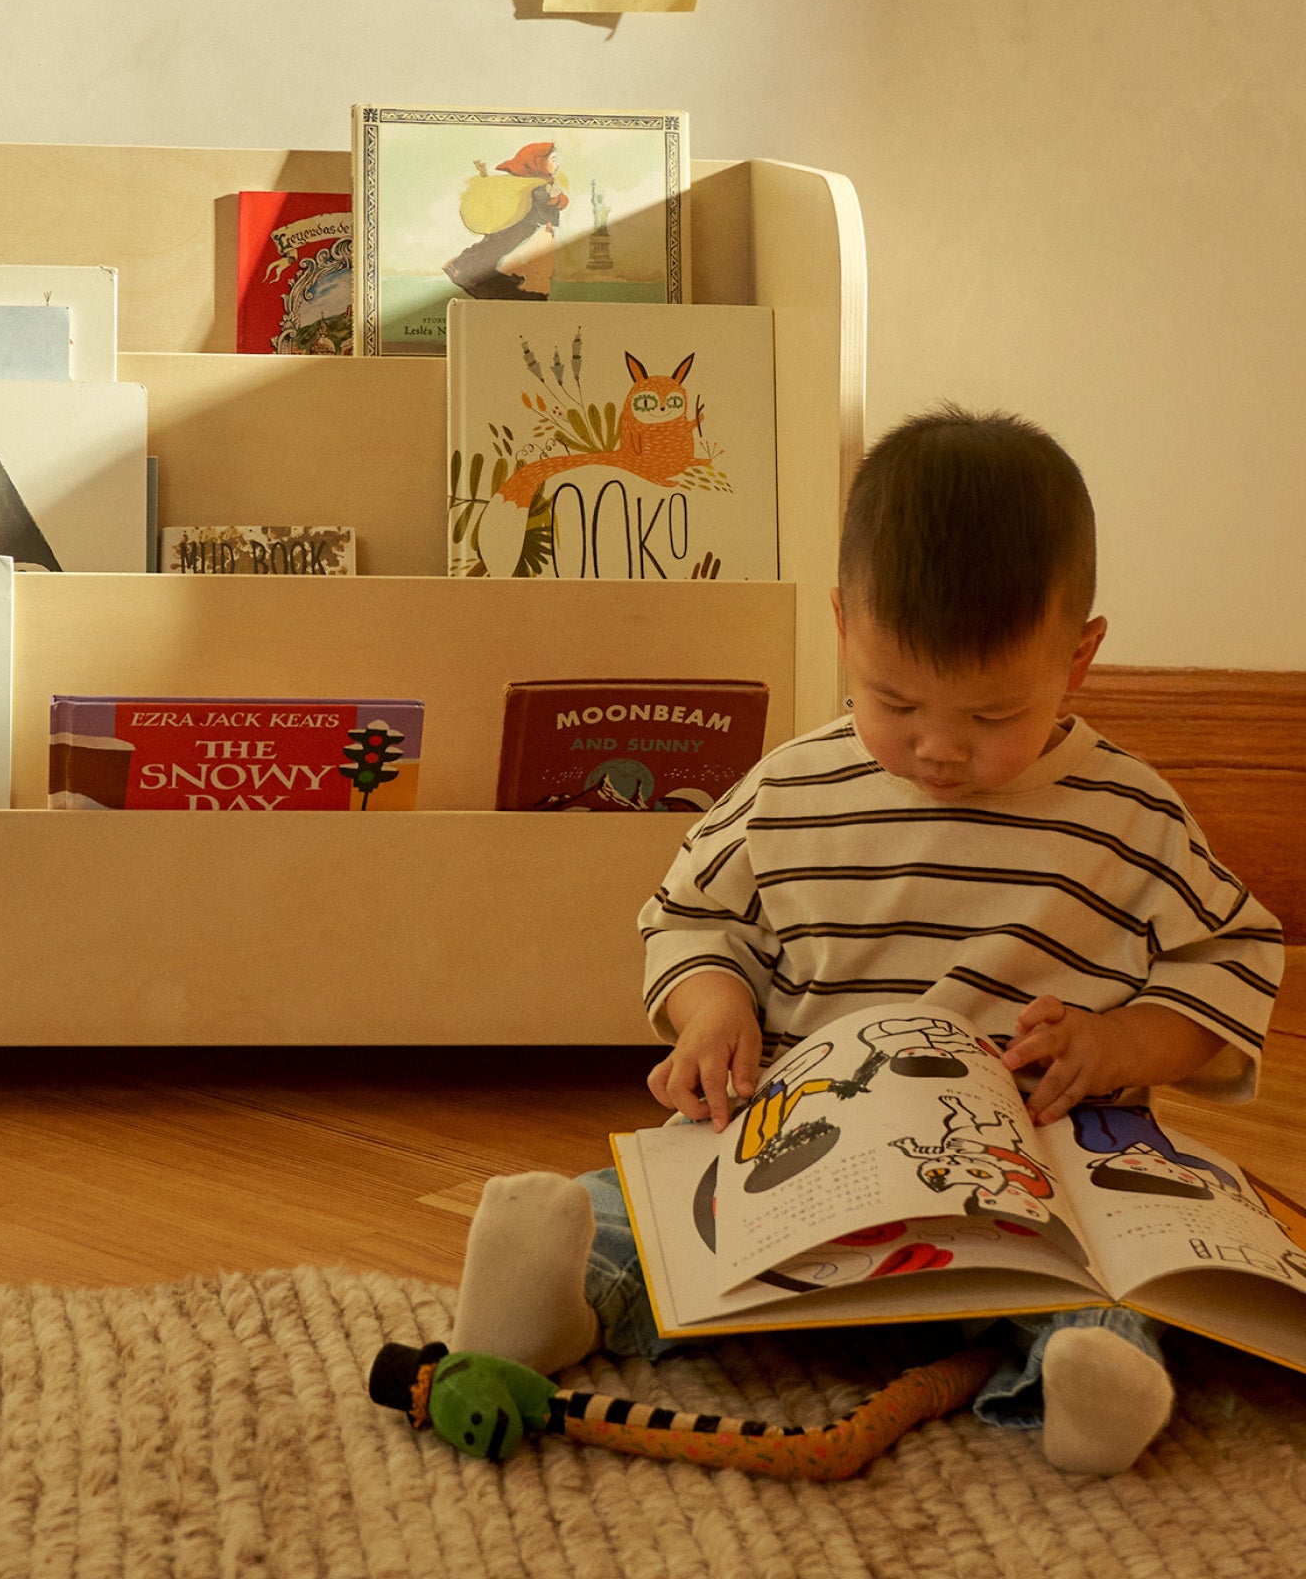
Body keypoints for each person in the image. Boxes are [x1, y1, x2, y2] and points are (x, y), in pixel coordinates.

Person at [450, 407, 1282, 1475]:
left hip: (1026, 1169)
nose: (938, 745)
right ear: (843, 625)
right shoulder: (789, 788)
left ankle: (1078, 1379)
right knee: (651, 1206)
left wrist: (1123, 1046)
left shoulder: (1126, 815)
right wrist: (712, 1008)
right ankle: (559, 1301)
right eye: (894, 699)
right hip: (800, 1154)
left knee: (1107, 1274)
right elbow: (694, 914)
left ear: (1077, 658)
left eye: (991, 713)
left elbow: (1229, 955)